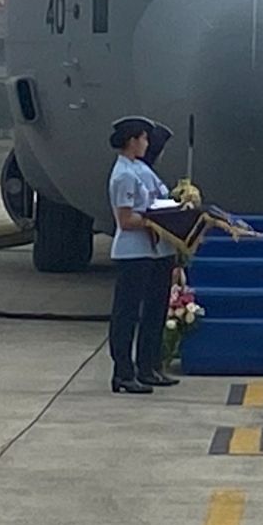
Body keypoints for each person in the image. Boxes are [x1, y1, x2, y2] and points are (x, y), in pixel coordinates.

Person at [107, 115, 179, 392]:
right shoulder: (123, 174)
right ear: (132, 140)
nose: (148, 144)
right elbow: (125, 220)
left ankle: (148, 366)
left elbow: (159, 199)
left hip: (157, 251)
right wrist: (156, 221)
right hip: (134, 252)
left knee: (155, 310)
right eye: (144, 138)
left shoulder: (142, 170)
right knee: (127, 313)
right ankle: (123, 372)